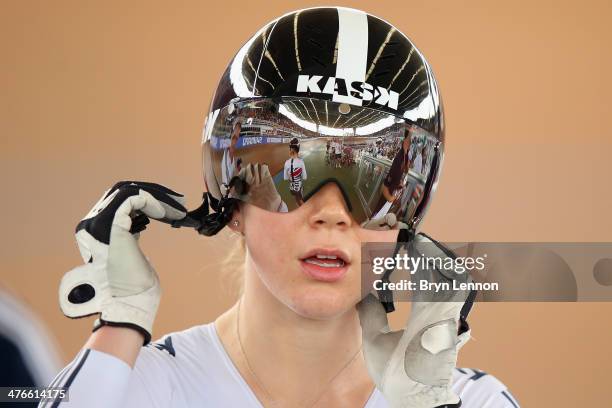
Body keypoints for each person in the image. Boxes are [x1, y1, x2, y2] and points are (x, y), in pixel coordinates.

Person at [49, 7, 520, 408]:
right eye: (295, 172)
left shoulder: (473, 401)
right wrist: (121, 323)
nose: (333, 213)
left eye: (374, 182)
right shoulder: (135, 387)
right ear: (229, 199)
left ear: (409, 219)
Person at [283, 138, 307, 207]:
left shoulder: (286, 162)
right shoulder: (301, 162)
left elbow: (285, 178)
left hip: (291, 188)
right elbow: (305, 177)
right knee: (301, 201)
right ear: (298, 149)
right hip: (299, 188)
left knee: (296, 199)